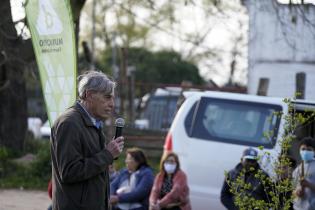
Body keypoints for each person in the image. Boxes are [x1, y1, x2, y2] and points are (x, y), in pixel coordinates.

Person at [50, 70, 124, 210]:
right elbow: (69, 172)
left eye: (112, 98)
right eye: (107, 97)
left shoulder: (92, 122)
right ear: (89, 95)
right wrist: (107, 155)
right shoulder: (70, 123)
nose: (112, 104)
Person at [292, 137, 315, 210]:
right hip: (298, 207)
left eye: (309, 150)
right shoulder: (297, 169)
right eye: (303, 149)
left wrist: (309, 185)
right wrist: (297, 192)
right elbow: (293, 189)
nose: (305, 152)